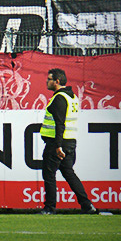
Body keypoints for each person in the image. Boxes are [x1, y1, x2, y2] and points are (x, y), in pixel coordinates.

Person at [39, 68, 98, 214]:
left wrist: (58, 146)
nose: (46, 81)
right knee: (68, 173)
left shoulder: (59, 98)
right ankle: (87, 205)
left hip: (57, 143)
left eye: (49, 79)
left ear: (57, 81)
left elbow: (60, 123)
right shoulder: (72, 97)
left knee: (49, 174)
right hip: (70, 141)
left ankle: (49, 208)